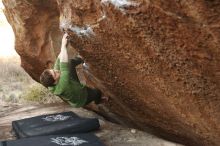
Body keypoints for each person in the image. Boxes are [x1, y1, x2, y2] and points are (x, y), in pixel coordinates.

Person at [40, 33, 108, 107]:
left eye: (53, 70)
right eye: (55, 74)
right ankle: (98, 101)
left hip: (72, 83)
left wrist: (64, 45)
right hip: (82, 99)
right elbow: (63, 65)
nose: (56, 71)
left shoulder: (51, 83)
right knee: (97, 92)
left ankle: (82, 58)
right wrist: (63, 46)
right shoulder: (62, 86)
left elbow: (59, 60)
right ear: (55, 81)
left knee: (71, 63)